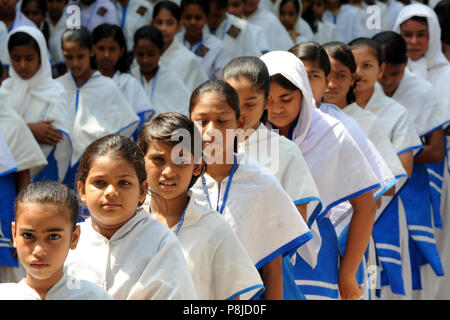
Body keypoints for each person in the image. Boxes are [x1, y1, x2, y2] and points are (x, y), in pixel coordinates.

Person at [261, 50, 379, 300]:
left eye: (286, 98)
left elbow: (366, 207)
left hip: (316, 258)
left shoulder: (333, 134)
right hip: (263, 253)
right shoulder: (251, 138)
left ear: (303, 95)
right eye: (268, 99)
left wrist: (348, 273)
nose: (276, 108)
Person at [189, 79, 313, 299]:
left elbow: (272, 268)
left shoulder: (261, 183)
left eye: (222, 121)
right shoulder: (180, 182)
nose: (211, 130)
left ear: (239, 123)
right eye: (202, 121)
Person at [222, 56, 322, 300]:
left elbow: (298, 218)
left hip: (268, 265)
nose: (241, 113)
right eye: (233, 103)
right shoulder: (209, 150)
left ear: (266, 102)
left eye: (250, 104)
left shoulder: (284, 151)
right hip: (219, 263)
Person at [138, 112, 265, 300]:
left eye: (181, 160)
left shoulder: (213, 228)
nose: (168, 171)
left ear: (197, 165)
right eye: (158, 160)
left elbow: (231, 297)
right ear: (142, 163)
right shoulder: (129, 223)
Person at [64, 134, 198, 299]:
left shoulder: (160, 242)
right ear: (82, 190)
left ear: (142, 191)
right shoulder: (67, 241)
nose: (111, 192)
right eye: (100, 183)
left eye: (124, 183)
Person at [374, 30, 450, 299]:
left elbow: (436, 151)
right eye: (382, 75)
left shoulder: (422, 91)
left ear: (405, 66)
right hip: (374, 186)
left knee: (410, 255)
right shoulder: (365, 91)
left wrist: (398, 154)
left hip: (414, 188)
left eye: (394, 75)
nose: (387, 81)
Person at [0, 181, 113, 300]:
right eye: (28, 235)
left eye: (53, 236)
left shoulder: (94, 296)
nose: (39, 250)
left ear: (74, 238)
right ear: (14, 234)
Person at [57, 26, 139, 189]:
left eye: (80, 56)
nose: (75, 63)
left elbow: (125, 126)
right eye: (68, 57)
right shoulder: (57, 86)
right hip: (60, 165)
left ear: (92, 51)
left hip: (96, 163)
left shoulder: (107, 86)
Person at [0, 26, 73, 183]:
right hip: (7, 169)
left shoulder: (55, 91)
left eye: (29, 58)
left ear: (41, 56)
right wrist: (30, 129)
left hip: (44, 172)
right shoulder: (5, 88)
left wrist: (19, 132)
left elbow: (55, 136)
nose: (23, 65)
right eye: (16, 59)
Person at [92, 23, 155, 140]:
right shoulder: (88, 83)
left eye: (112, 49)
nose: (106, 55)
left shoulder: (130, 83)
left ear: (121, 51)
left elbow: (142, 123)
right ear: (93, 50)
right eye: (101, 48)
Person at [130, 25, 191, 116]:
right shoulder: (130, 79)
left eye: (151, 54)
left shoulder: (171, 80)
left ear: (161, 51)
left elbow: (184, 113)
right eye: (140, 54)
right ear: (134, 51)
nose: (145, 60)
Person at [151, 0, 208, 92]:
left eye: (170, 23)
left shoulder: (190, 60)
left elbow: (202, 93)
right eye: (159, 22)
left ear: (179, 26)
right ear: (152, 24)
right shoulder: (144, 56)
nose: (163, 28)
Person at [179, 0, 230, 79]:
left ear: (206, 18)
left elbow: (223, 80)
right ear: (181, 18)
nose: (193, 22)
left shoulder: (216, 46)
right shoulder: (174, 42)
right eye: (188, 17)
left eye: (198, 18)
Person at [45, 0, 69, 77]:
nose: (54, 6)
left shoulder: (72, 20)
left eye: (59, 1)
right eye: (50, 1)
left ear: (66, 2)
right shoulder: (41, 19)